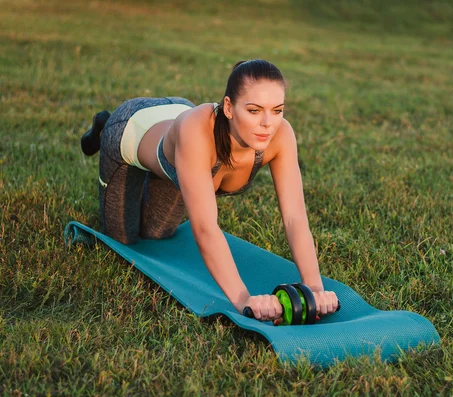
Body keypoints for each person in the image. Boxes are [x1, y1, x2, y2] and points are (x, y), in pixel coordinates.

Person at [80, 59, 339, 323]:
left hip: (177, 140)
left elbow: (295, 218)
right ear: (229, 107)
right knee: (124, 241)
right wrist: (244, 300)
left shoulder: (281, 135)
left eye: (277, 110)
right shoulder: (198, 132)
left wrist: (314, 290)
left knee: (157, 235)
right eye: (253, 110)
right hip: (132, 126)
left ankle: (156, 176)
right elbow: (205, 228)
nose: (267, 123)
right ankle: (103, 128)